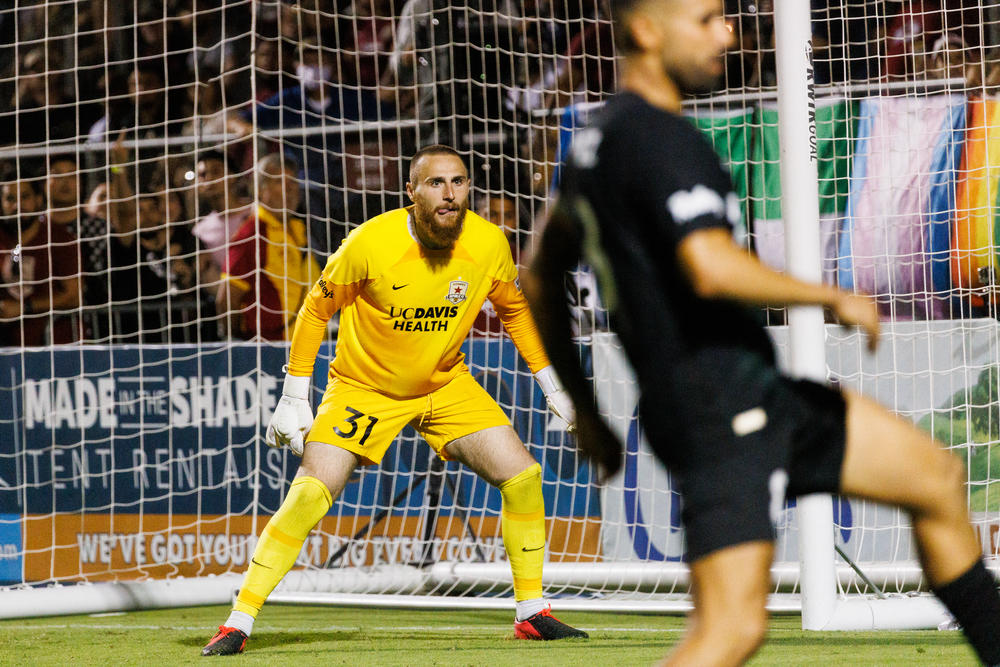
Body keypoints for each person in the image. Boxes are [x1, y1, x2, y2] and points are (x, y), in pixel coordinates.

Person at [522, 1, 1000, 665]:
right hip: (719, 410)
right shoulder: (660, 137)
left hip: (751, 392)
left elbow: (538, 278)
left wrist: (589, 414)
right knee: (730, 631)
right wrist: (832, 294)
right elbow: (710, 266)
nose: (729, 33)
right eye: (708, 19)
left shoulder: (592, 141)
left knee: (936, 478)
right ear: (645, 30)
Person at [201, 144, 588, 656]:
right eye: (436, 183)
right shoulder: (371, 242)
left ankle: (532, 613)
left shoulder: (488, 242)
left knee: (522, 477)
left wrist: (552, 384)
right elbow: (315, 312)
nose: (450, 195)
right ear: (411, 192)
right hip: (365, 388)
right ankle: (239, 620)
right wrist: (295, 394)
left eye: (459, 182)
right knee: (312, 492)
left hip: (446, 385)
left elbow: (513, 310)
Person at [217, 154, 321, 341]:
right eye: (279, 182)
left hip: (309, 345)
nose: (289, 189)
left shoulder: (298, 229)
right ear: (259, 190)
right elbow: (226, 299)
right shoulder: (253, 233)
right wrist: (241, 346)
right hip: (272, 349)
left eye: (293, 182)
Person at [0, 173, 81, 346]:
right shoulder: (3, 238)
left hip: (55, 346)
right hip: (7, 348)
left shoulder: (59, 238)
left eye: (25, 197)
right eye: (10, 198)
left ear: (38, 199)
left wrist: (25, 308)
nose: (17, 205)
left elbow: (75, 296)